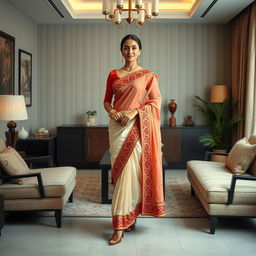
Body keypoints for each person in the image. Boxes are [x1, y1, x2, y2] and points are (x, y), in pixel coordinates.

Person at [103, 34, 166, 246]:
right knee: (121, 175)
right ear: (121, 51)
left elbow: (155, 102)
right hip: (117, 128)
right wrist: (112, 112)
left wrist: (133, 113)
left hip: (137, 127)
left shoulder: (148, 76)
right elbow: (106, 101)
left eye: (134, 48)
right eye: (126, 48)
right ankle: (125, 218)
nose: (130, 51)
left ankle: (119, 226)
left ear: (140, 51)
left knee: (134, 174)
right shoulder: (113, 74)